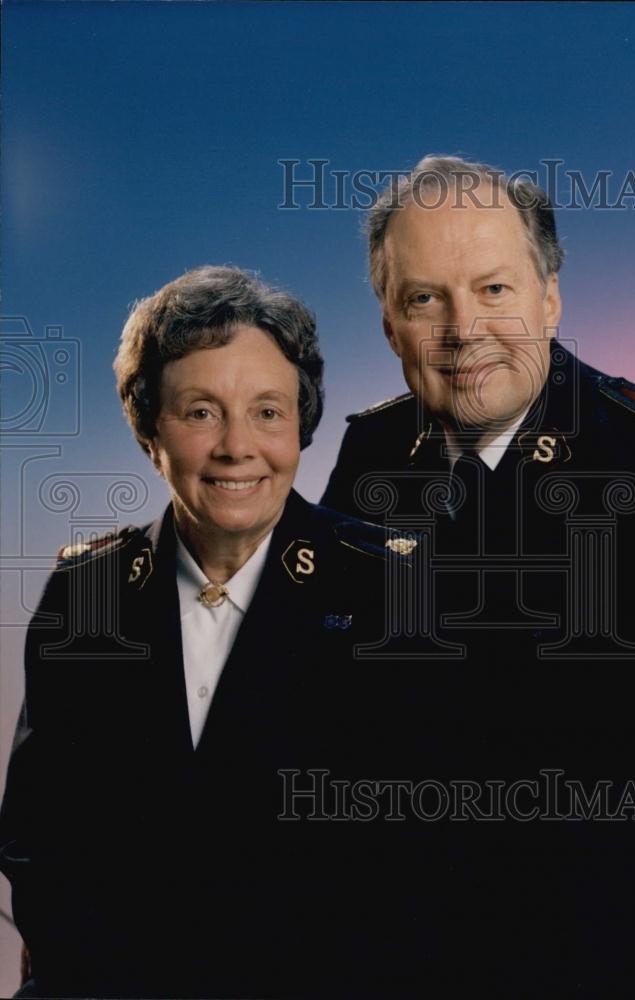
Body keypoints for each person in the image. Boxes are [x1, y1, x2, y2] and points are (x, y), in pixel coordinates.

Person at [321, 156, 635, 996]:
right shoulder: (372, 454)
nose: (464, 330)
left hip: (595, 958)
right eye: (424, 298)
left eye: (493, 289)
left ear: (549, 296)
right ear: (388, 324)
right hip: (397, 953)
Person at [0, 266, 417, 999]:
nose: (236, 447)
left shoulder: (389, 589)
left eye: (266, 411)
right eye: (200, 412)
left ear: (301, 423)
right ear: (148, 428)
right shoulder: (88, 590)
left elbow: (420, 865)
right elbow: (38, 837)